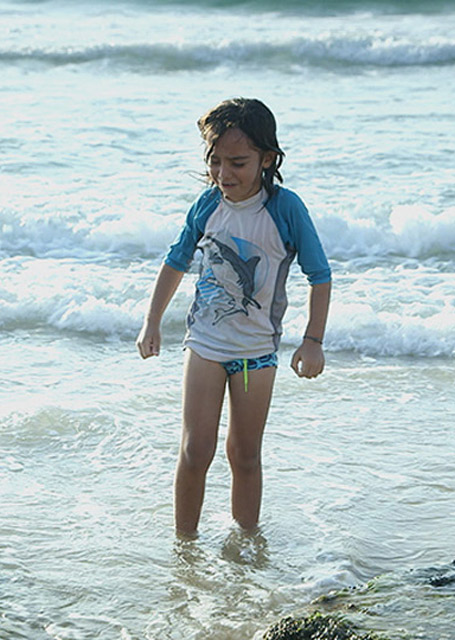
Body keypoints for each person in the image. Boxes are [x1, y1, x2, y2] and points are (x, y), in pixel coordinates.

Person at [136, 98, 331, 538]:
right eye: (216, 161)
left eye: (238, 162)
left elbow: (320, 276)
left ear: (267, 159)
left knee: (244, 455)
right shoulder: (207, 206)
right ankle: (184, 544)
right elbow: (175, 261)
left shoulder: (285, 210)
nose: (224, 174)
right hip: (204, 345)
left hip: (256, 354)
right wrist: (152, 321)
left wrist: (313, 340)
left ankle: (246, 542)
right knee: (195, 449)